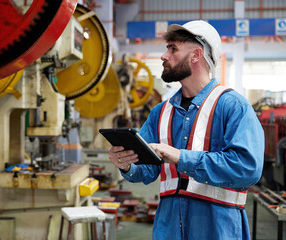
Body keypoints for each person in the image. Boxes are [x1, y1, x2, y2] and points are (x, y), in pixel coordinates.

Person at [108, 20, 264, 240]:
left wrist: (181, 157)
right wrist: (126, 164)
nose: (163, 56)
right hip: (168, 228)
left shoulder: (233, 107)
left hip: (218, 229)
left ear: (196, 55)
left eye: (173, 48)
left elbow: (248, 169)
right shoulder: (160, 113)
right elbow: (146, 170)